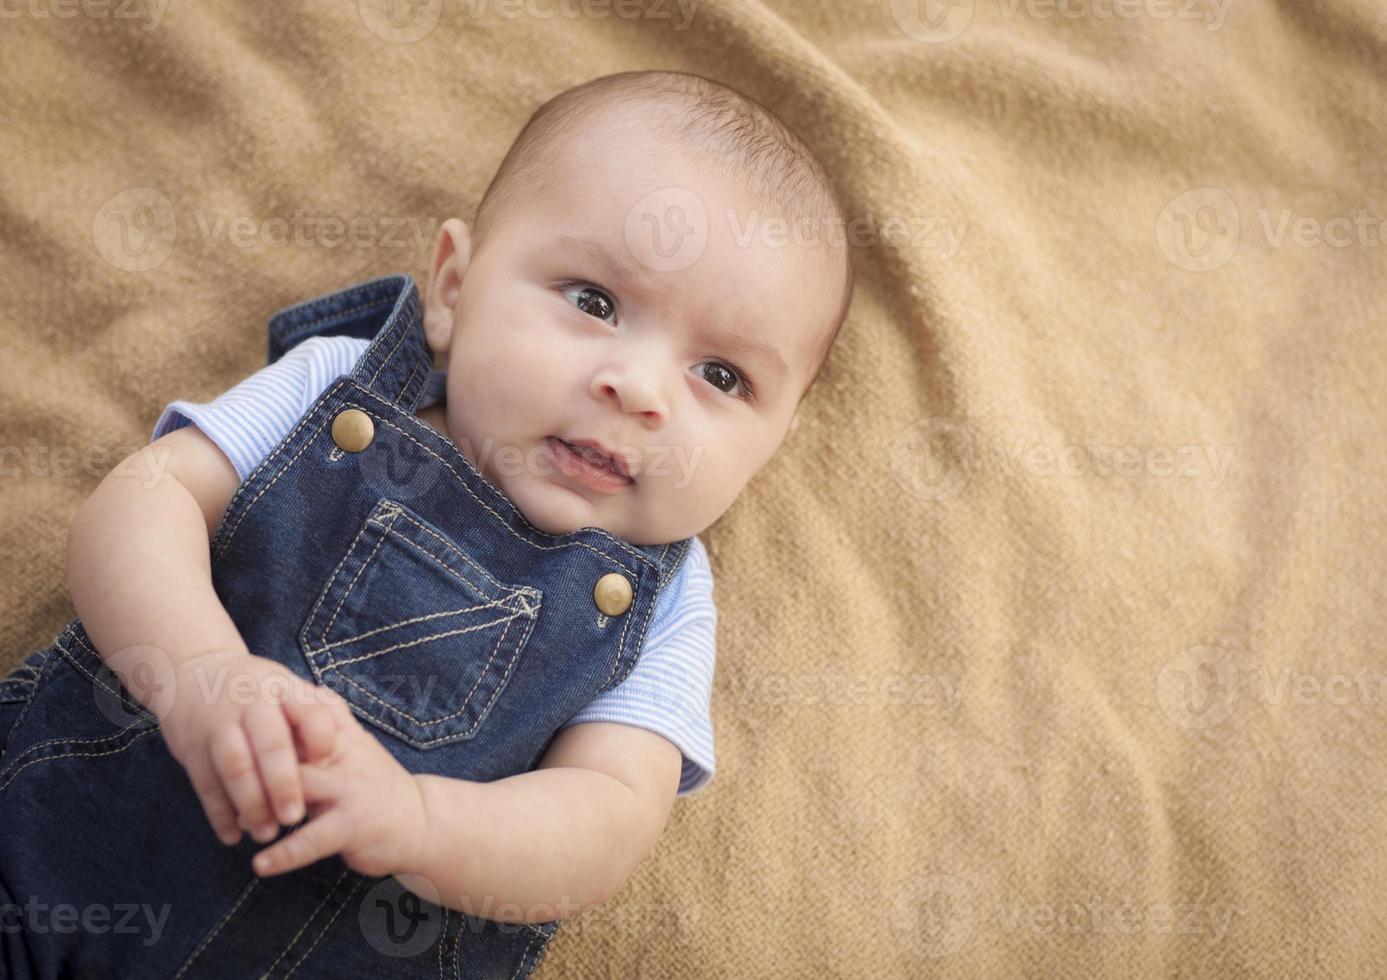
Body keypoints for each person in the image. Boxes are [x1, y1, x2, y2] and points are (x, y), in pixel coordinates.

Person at [0, 68, 853, 978]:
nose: (637, 390)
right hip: (55, 850)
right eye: (593, 301)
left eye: (721, 377)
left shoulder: (670, 602)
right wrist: (200, 674)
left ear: (772, 443)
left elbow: (605, 814)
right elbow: (140, 503)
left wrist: (420, 824)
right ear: (452, 287)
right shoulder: (339, 387)